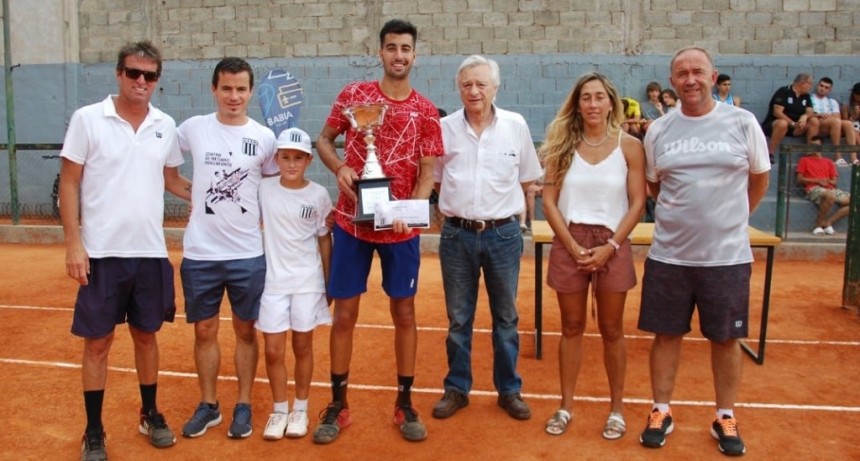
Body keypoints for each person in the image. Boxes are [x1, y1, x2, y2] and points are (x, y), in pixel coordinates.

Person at [312, 18, 443, 444]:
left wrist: (414, 210)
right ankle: (337, 403)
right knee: (344, 314)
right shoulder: (355, 96)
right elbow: (324, 140)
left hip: (400, 231)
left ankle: (404, 402)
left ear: (415, 55)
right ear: (380, 52)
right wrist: (341, 167)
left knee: (404, 313)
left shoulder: (425, 110)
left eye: (406, 48)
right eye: (391, 47)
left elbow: (427, 171)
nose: (398, 55)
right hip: (352, 224)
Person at [638, 47, 770, 457]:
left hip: (727, 258)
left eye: (698, 71)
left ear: (712, 77)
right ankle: (661, 409)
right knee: (666, 335)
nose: (690, 79)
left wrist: (731, 218)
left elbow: (759, 179)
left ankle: (724, 414)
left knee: (726, 339)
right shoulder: (659, 130)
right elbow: (654, 186)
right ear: (672, 81)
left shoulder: (743, 122)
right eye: (682, 73)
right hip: (669, 257)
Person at [60, 40, 186, 460]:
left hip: (149, 253)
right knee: (97, 343)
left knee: (147, 338)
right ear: (119, 73)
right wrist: (74, 243)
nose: (140, 81)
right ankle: (93, 430)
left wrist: (223, 194)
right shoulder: (88, 119)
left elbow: (172, 180)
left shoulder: (165, 124)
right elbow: (70, 182)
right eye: (133, 73)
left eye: (149, 76)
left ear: (157, 81)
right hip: (100, 253)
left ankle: (149, 412)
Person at [431, 54, 542, 422]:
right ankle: (457, 389)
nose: (474, 91)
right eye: (466, 84)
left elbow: (528, 178)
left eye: (481, 84)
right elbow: (431, 179)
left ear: (495, 87)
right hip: (457, 235)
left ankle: (509, 390)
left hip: (503, 235)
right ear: (458, 89)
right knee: (459, 319)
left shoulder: (516, 125)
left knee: (506, 317)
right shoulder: (443, 127)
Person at [540, 73, 646, 438]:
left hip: (612, 243)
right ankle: (565, 406)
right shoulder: (562, 144)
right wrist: (571, 245)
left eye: (600, 97)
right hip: (570, 241)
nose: (593, 104)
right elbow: (549, 200)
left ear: (611, 102)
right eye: (586, 97)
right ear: (577, 103)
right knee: (571, 328)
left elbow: (638, 203)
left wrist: (611, 246)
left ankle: (617, 410)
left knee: (612, 329)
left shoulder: (630, 146)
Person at [177, 57, 278, 440]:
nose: (233, 96)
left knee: (246, 331)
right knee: (204, 331)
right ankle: (209, 405)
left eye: (240, 89)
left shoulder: (264, 138)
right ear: (213, 90)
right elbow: (168, 170)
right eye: (226, 88)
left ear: (250, 92)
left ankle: (243, 404)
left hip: (247, 254)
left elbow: (269, 188)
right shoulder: (193, 129)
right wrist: (195, 193)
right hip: (201, 254)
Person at [257, 127, 333, 440]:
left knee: (302, 345)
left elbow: (324, 239)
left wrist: (329, 282)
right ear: (276, 159)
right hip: (272, 284)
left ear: (309, 161)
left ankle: (300, 409)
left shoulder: (318, 195)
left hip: (307, 282)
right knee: (273, 351)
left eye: (298, 158)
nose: (291, 164)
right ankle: (279, 410)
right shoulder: (263, 189)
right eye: (285, 157)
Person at [761, 73, 819, 163]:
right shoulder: (784, 91)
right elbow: (777, 112)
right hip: (775, 125)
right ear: (802, 83)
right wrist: (792, 123)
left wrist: (804, 116)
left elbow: (810, 111)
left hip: (796, 127)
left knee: (814, 121)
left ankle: (810, 153)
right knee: (782, 123)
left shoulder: (806, 96)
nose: (811, 87)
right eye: (810, 84)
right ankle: (769, 154)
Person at [796, 141, 851, 235]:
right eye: (812, 145)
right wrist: (817, 181)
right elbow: (799, 179)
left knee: (855, 200)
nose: (814, 148)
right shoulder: (804, 160)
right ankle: (818, 225)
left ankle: (828, 222)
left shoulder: (828, 162)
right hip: (813, 187)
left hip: (830, 188)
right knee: (830, 196)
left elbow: (834, 181)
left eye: (817, 146)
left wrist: (827, 181)